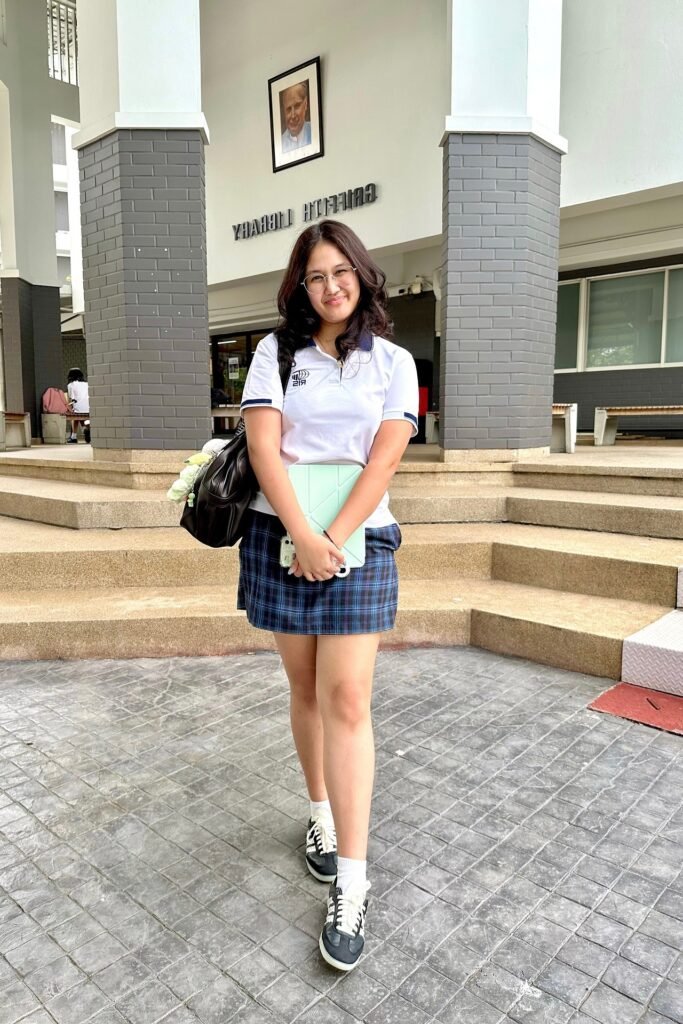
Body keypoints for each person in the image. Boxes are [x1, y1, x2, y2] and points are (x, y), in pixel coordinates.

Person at [238, 220, 418, 972]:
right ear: (298, 285)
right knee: (305, 687)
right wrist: (302, 536)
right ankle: (317, 814)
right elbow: (261, 446)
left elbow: (384, 459)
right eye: (315, 275)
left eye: (341, 271)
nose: (330, 286)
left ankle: (352, 878)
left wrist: (331, 539)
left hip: (358, 541)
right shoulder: (274, 353)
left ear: (363, 276)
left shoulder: (395, 362)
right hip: (279, 537)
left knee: (348, 700)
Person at [280, 81, 312, 152]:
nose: (293, 115)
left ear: (306, 104)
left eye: (297, 106)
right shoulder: (280, 143)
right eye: (288, 109)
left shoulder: (314, 130)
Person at [66, 367, 89, 443]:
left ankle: (74, 437)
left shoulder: (70, 385)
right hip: (88, 407)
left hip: (78, 406)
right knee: (80, 413)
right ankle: (85, 429)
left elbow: (71, 398)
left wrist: (69, 407)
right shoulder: (87, 384)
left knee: (74, 413)